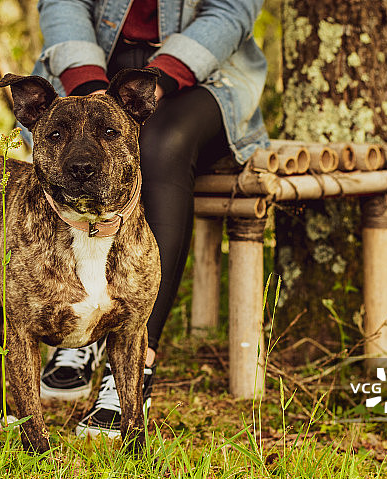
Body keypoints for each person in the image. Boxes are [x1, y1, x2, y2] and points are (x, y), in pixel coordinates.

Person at [25, 0, 268, 437]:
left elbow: (231, 11)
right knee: (64, 140)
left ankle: (135, 362)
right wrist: (86, 86)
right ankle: (77, 319)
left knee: (157, 145)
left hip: (208, 76)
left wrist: (166, 73)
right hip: (91, 62)